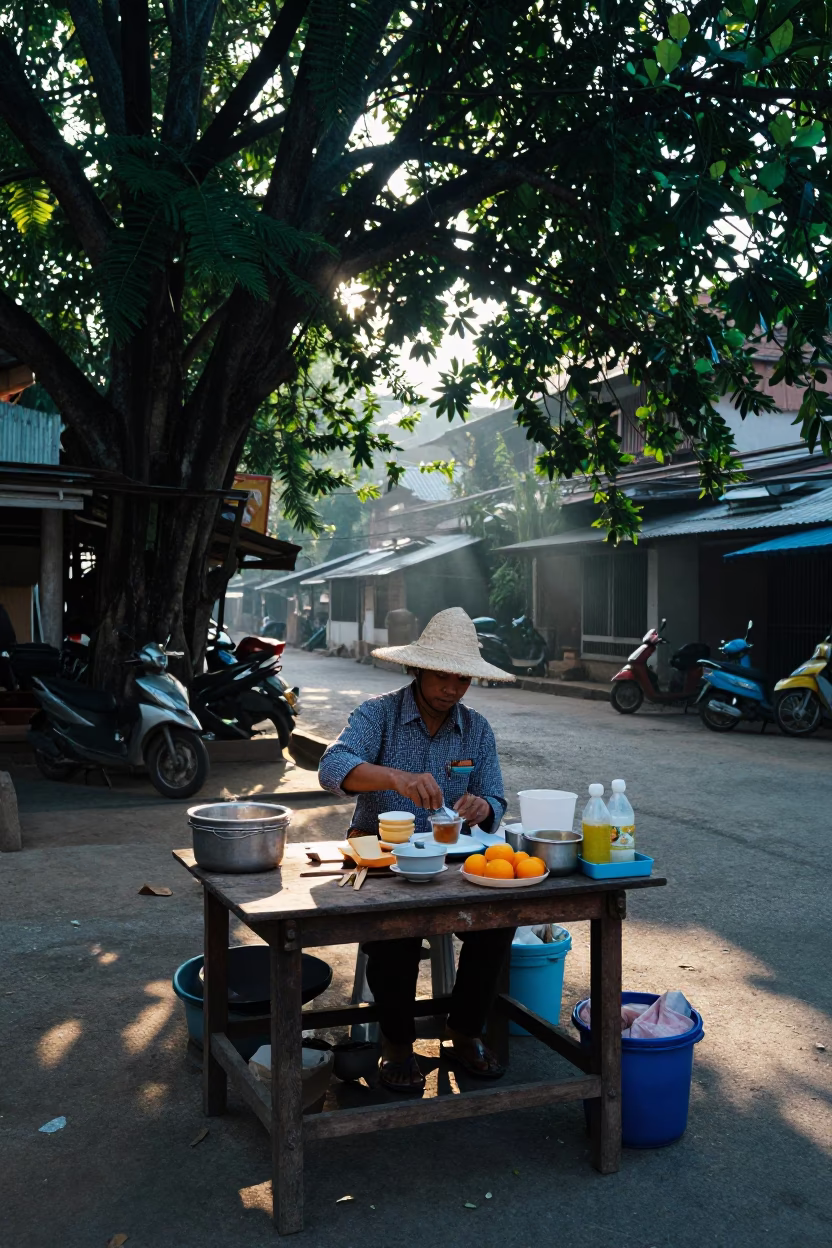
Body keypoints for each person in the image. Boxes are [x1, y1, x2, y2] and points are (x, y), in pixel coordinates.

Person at [319, 607, 517, 1093]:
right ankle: (397, 1042)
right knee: (397, 929)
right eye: (442, 675)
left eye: (462, 678)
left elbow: (497, 800)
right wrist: (395, 778)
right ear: (417, 669)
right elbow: (332, 767)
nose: (452, 688)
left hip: (454, 862)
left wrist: (481, 807)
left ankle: (464, 1030)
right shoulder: (377, 715)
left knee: (499, 920)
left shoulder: (476, 730)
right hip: (381, 861)